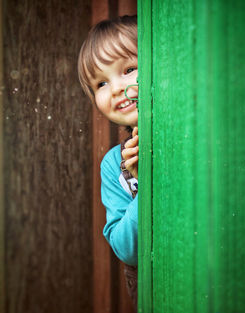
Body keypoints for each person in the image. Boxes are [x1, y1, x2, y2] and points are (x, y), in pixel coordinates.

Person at [78, 15, 139, 308]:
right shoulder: (114, 164)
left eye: (129, 69)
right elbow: (127, 249)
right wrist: (145, 184)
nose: (115, 88)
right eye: (101, 83)